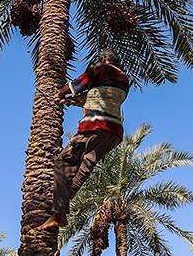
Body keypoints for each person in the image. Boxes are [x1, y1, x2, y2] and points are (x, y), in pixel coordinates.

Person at [39, 49, 131, 230]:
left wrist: (60, 93)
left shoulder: (101, 69)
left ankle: (59, 212)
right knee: (83, 170)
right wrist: (73, 101)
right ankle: (58, 213)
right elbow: (101, 95)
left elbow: (78, 84)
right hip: (113, 134)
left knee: (63, 162)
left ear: (103, 60)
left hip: (94, 127)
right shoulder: (124, 81)